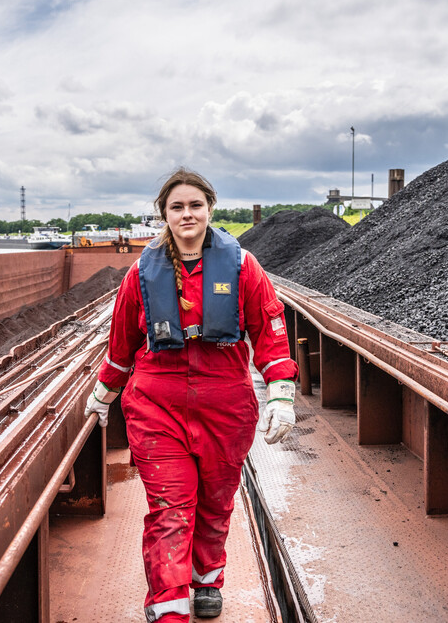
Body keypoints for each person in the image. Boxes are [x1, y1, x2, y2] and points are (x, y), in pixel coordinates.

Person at [84, 168, 298, 622]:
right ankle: (168, 605)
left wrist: (281, 391)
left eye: (195, 205)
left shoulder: (242, 266)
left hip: (226, 404)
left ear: (210, 210)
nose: (187, 214)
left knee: (217, 501)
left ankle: (207, 579)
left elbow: (270, 327)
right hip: (156, 404)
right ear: (164, 213)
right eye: (177, 206)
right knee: (171, 506)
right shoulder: (142, 273)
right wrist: (104, 393)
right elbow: (120, 341)